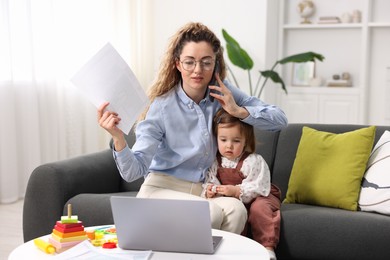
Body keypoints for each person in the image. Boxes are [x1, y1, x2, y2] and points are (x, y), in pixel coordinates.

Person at [98, 22, 287, 236]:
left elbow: (279, 120)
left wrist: (238, 110)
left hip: (200, 189)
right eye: (190, 62)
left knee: (236, 210)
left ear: (215, 65)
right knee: (212, 213)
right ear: (178, 64)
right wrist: (118, 138)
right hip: (161, 189)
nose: (198, 70)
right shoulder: (161, 106)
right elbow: (134, 171)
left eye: (206, 62)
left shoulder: (223, 93)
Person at [202, 108, 281, 260]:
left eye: (236, 141)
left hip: (260, 195)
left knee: (259, 209)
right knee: (234, 212)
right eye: (223, 140)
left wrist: (236, 191)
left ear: (246, 141)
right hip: (234, 200)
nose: (229, 146)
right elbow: (210, 180)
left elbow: (258, 186)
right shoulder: (214, 162)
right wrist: (211, 190)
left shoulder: (253, 161)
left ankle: (268, 247)